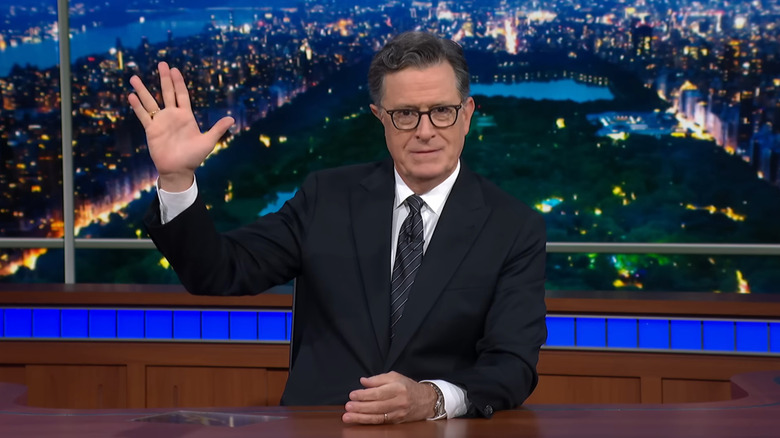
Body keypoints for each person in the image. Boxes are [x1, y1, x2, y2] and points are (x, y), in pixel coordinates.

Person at [128, 31, 547, 424]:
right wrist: (178, 179)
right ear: (379, 117)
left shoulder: (513, 226)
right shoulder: (325, 197)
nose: (425, 131)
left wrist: (432, 399)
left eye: (441, 111)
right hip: (321, 426)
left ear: (467, 114)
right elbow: (217, 272)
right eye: (405, 114)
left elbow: (512, 365)